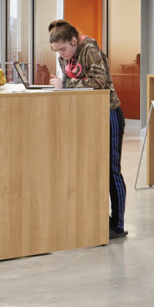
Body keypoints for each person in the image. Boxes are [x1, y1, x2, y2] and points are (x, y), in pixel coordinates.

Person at [49, 21, 127, 240]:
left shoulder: (90, 50)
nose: (61, 56)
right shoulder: (65, 54)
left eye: (63, 49)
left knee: (111, 170)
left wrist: (65, 85)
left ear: (74, 41)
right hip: (86, 116)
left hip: (108, 113)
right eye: (56, 51)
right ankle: (94, 218)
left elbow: (99, 82)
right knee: (90, 169)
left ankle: (118, 224)